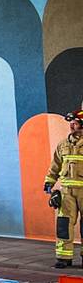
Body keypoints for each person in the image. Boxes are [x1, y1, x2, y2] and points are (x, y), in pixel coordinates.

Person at [46, 108, 83, 268]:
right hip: (67, 192)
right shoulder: (63, 144)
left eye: (75, 123)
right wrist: (49, 182)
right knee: (64, 224)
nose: (71, 126)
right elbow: (55, 165)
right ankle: (63, 257)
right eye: (71, 123)